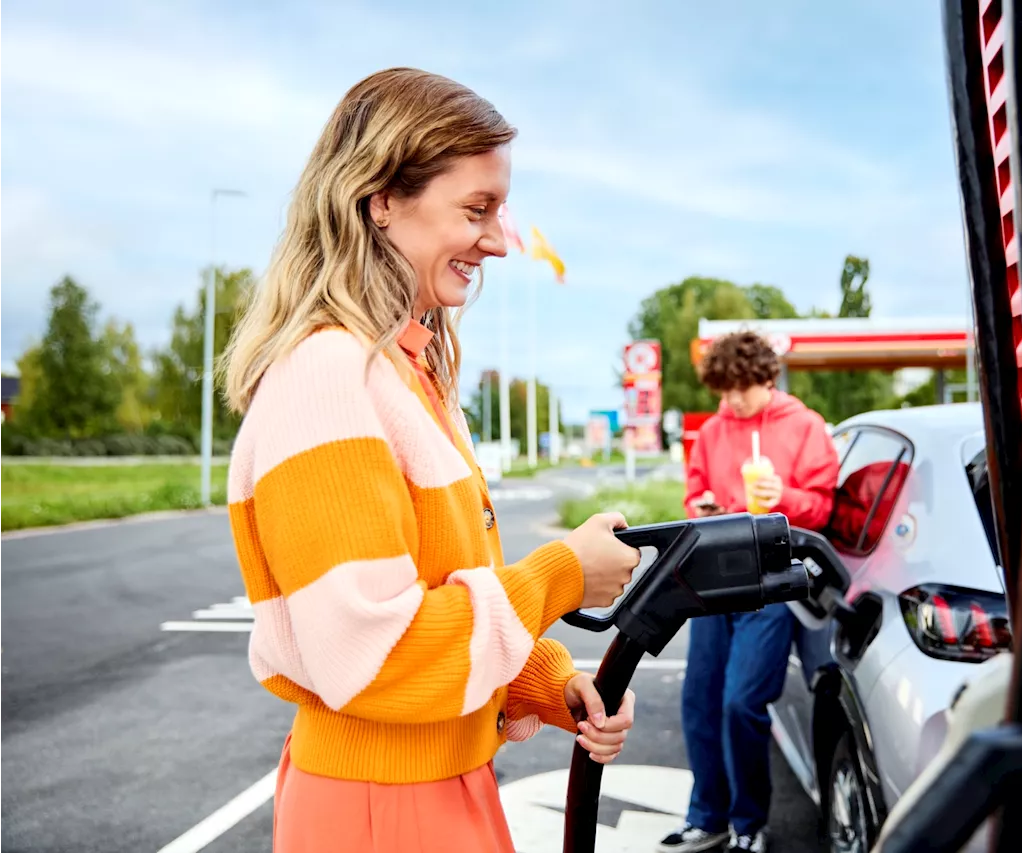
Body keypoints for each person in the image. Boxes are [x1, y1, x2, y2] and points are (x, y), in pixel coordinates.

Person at [220, 68, 643, 853]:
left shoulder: (407, 370)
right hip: (382, 811)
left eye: (500, 211)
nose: (496, 240)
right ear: (381, 197)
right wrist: (562, 572)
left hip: (435, 791)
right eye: (476, 210)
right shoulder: (327, 378)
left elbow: (441, 593)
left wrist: (548, 683)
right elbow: (376, 657)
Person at [659, 331, 839, 853]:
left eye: (742, 388)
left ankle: (748, 823)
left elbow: (822, 508)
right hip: (712, 579)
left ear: (767, 378)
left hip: (770, 581)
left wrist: (784, 496)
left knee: (741, 702)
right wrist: (706, 506)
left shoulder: (804, 427)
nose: (733, 400)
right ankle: (707, 815)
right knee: (700, 699)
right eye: (724, 389)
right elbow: (694, 496)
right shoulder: (714, 431)